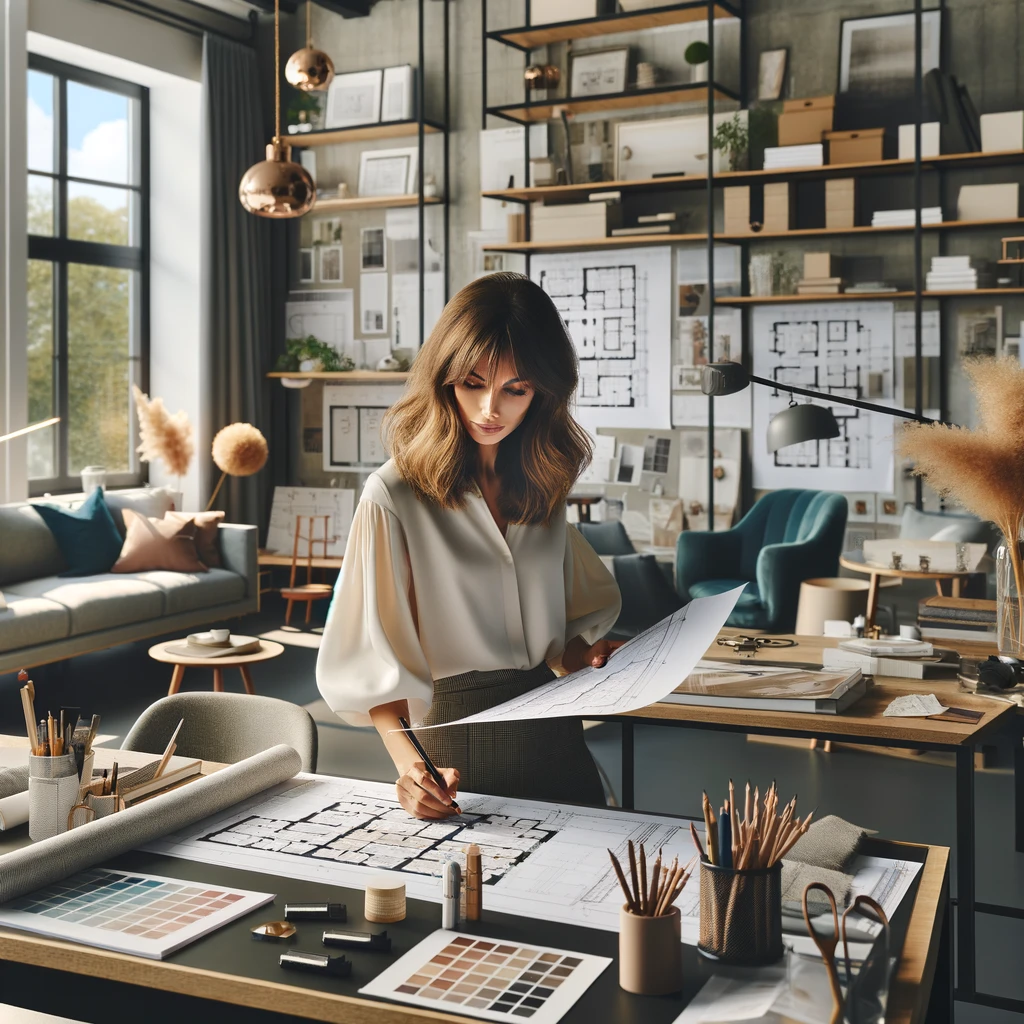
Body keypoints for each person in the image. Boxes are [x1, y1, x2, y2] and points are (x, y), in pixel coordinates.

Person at [316, 273, 622, 820]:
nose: (489, 409)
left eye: (515, 389)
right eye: (472, 383)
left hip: (557, 738)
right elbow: (373, 660)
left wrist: (595, 655)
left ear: (543, 392)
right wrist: (411, 770)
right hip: (454, 746)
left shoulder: (544, 486)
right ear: (443, 380)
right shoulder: (393, 496)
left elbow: (562, 646)